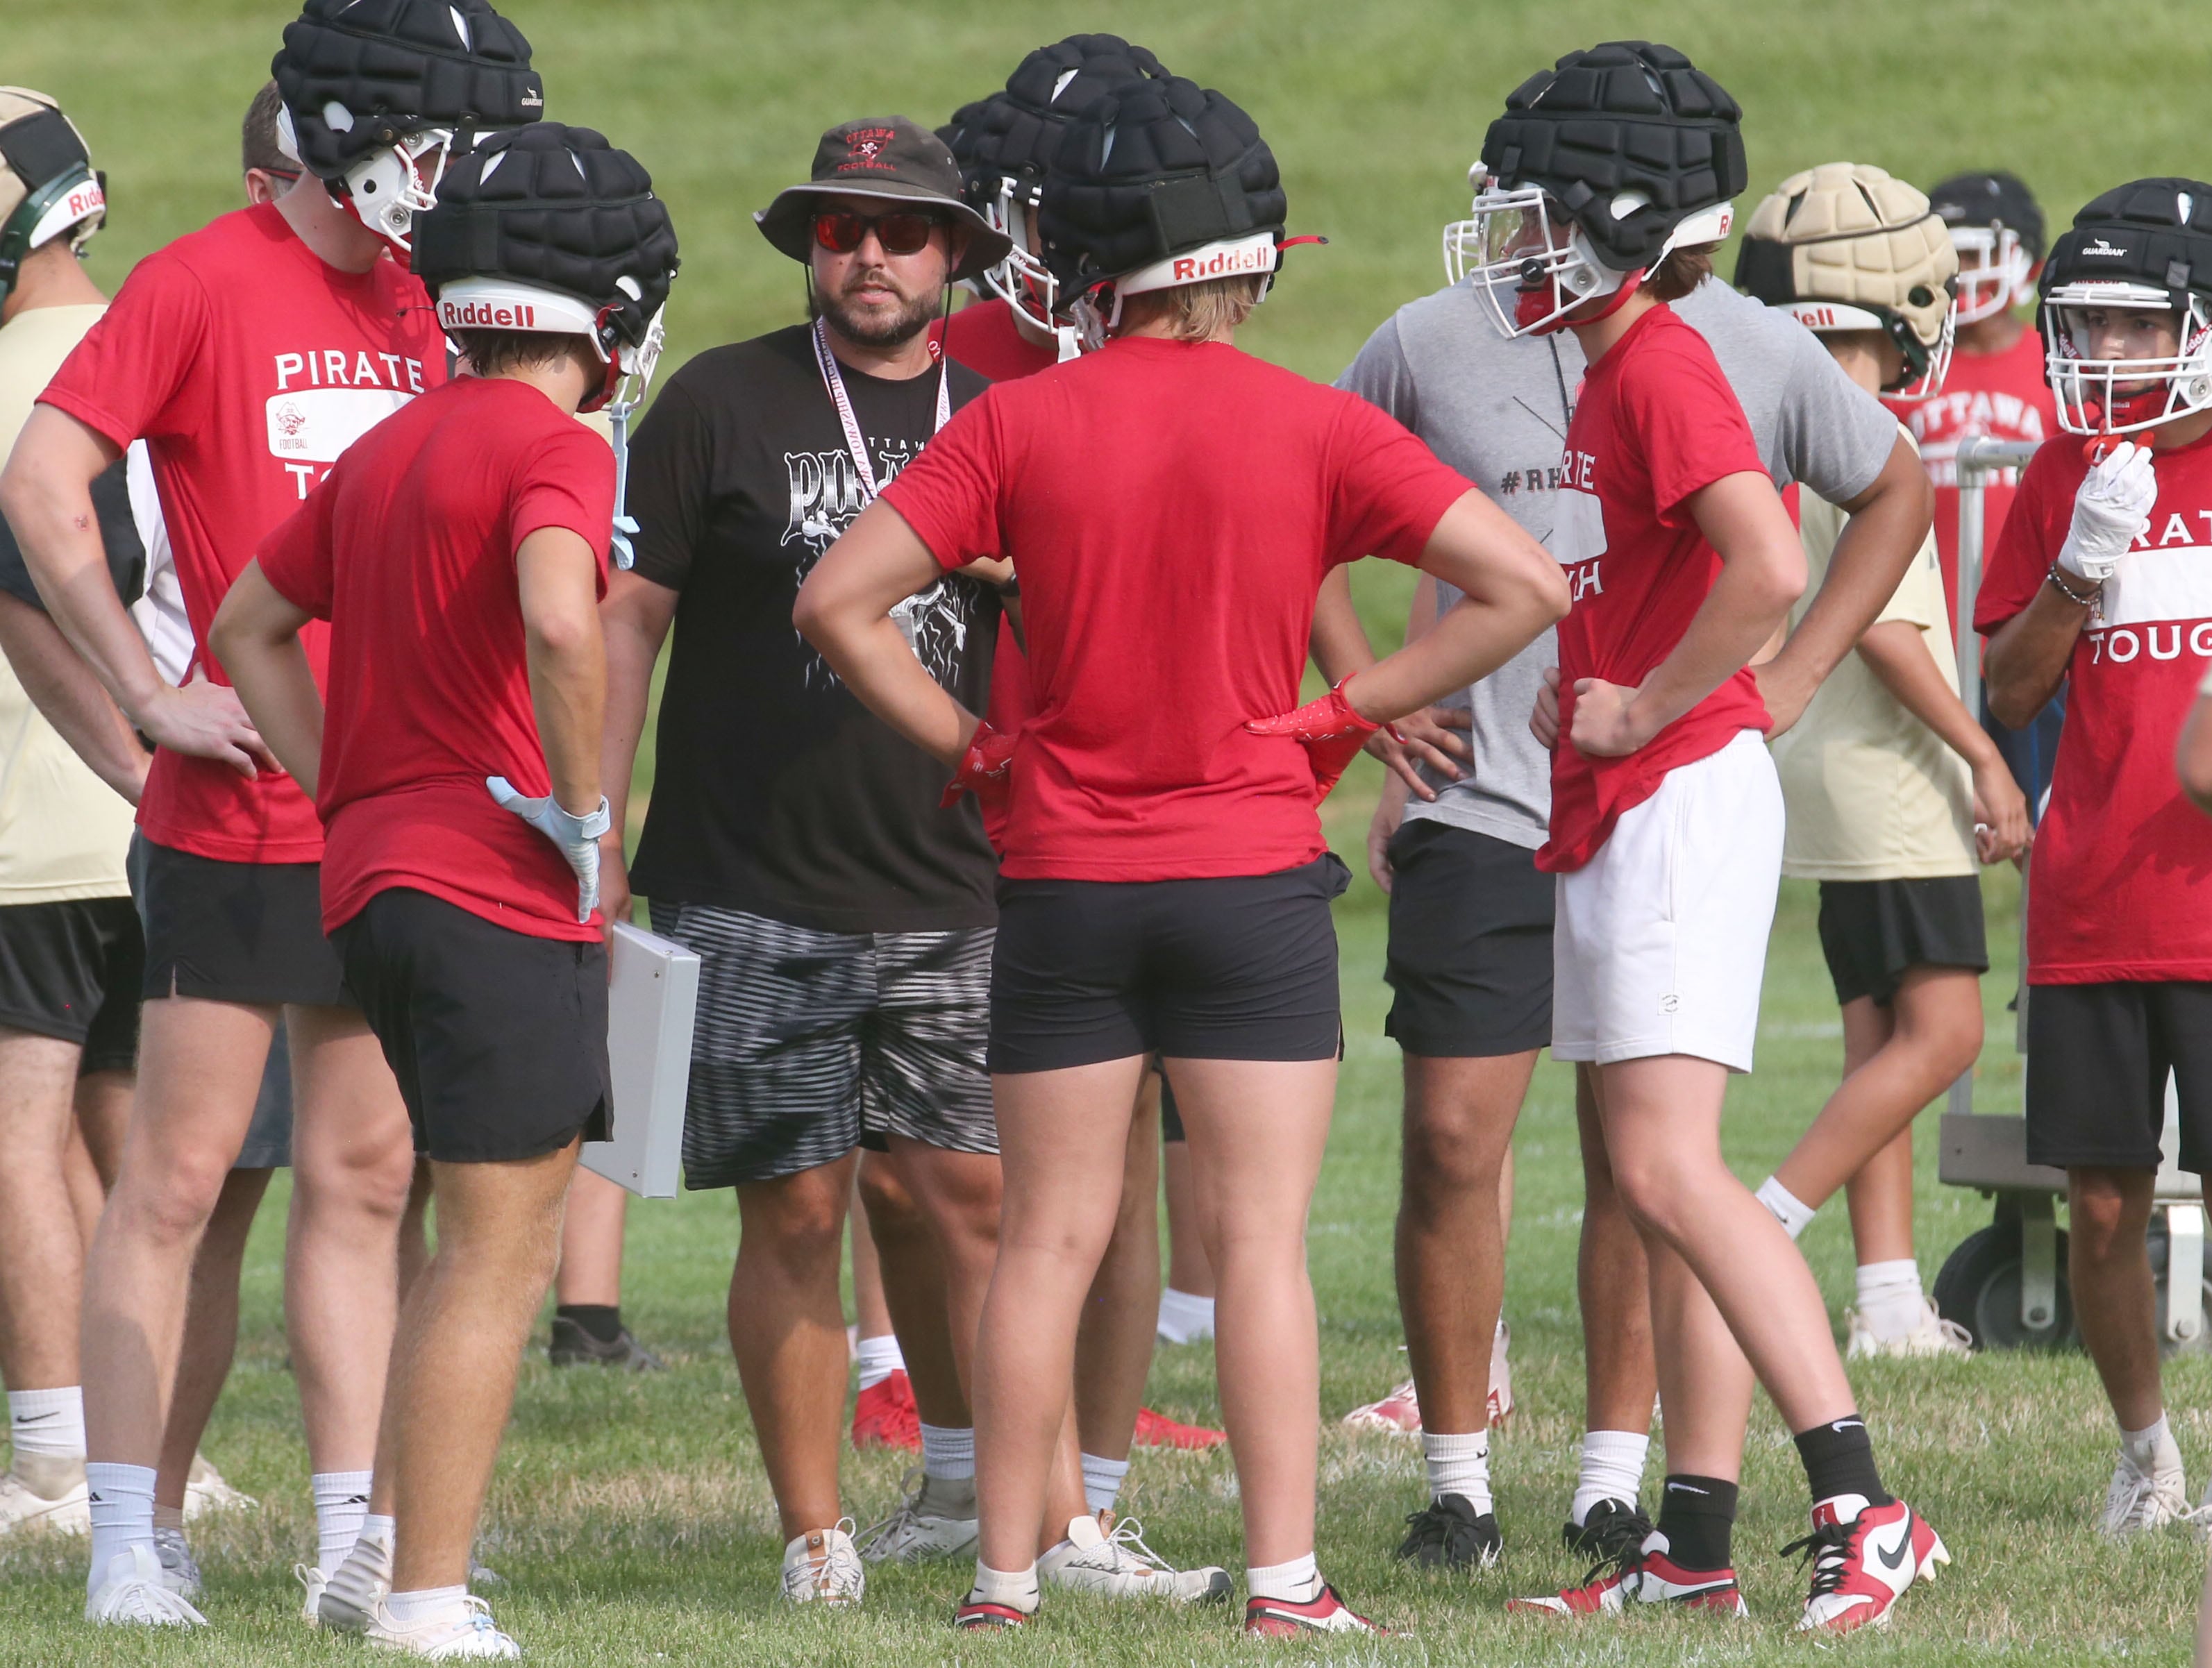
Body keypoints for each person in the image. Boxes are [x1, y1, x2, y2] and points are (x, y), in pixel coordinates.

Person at [794, 71, 1566, 1635]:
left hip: (1066, 875)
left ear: (1085, 265)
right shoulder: (1316, 420)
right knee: (1263, 1247)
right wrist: (1348, 708)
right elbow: (1526, 585)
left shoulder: (1014, 416)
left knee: (1047, 1241)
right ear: (1246, 264)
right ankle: (1286, 1579)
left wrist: (971, 746)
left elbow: (834, 605)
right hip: (1249, 876)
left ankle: (1005, 1579)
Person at [1321, 90, 1936, 1573]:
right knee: (1661, 1169)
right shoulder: (1605, 365)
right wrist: (1382, 695)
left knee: (1661, 1176)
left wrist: (1659, 700)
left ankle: (1859, 1504)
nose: (1509, 244)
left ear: (1627, 230)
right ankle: (1694, 1542)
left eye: (1537, 215)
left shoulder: (1665, 360)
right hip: (1596, 803)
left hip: (1668, 789)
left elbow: (1772, 560)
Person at [0, 0, 542, 1627]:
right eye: (431, 141)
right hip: (235, 810)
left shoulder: (444, 300)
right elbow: (38, 485)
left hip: (404, 810)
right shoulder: (197, 280)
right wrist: (147, 696)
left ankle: (354, 1537)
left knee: (369, 1181)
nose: (452, 177)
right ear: (337, 132)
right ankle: (124, 1537)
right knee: (173, 1179)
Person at [213, 120, 674, 1656]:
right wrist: (586, 811)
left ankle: (385, 1551)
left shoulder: (386, 440)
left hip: (371, 880)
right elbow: (561, 618)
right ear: (604, 317)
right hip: (490, 884)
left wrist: (341, 781)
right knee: (499, 1245)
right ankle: (424, 1598)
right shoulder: (563, 442)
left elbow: (248, 619)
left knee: (442, 1225)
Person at [604, 114, 1016, 1608]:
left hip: (958, 877)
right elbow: (627, 618)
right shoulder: (720, 399)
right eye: (840, 229)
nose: (870, 255)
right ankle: (814, 1530)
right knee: (796, 1200)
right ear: (806, 248)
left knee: (958, 1197)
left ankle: (974, 1488)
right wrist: (599, 816)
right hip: (748, 876)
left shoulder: (1009, 409)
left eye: (902, 231)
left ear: (956, 253)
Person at [1734, 162, 2030, 1356]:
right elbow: (1898, 633)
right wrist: (1983, 758)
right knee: (1944, 1036)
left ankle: (1891, 1298)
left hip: (1820, 765)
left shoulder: (1780, 433)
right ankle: (1761, 1225)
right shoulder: (1868, 439)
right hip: (1887, 773)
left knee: (1880, 1040)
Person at [1977, 176, 2212, 1536]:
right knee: (2105, 1208)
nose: (2105, 355)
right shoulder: (2060, 471)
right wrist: (2076, 567)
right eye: (2090, 326)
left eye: (2135, 328)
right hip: (2094, 894)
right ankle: (2146, 1454)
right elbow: (2009, 693)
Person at [0, 85, 139, 1544]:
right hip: (168, 809)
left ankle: (52, 1449)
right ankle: (137, 1450)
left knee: (16, 1129)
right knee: (129, 1141)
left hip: (33, 814)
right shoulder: (163, 345)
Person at [1907, 170, 2064, 802]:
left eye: (1973, 254)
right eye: (1950, 255)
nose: (1962, 272)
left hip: (2030, 641)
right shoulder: (1907, 375)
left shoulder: (2059, 373)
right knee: (1929, 845)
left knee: (2047, 825)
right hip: (1928, 648)